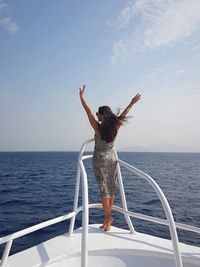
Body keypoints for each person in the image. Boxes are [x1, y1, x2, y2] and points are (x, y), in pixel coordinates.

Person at [79, 84, 141, 231]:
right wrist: (132, 103)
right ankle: (107, 224)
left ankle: (107, 217)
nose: (96, 115)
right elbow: (124, 113)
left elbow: (87, 112)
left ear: (102, 115)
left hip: (99, 161)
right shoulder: (115, 126)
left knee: (103, 190)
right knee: (111, 189)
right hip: (111, 159)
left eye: (98, 114)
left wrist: (81, 97)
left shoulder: (98, 128)